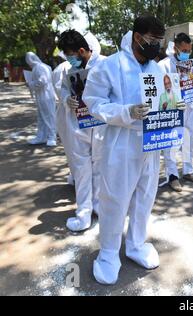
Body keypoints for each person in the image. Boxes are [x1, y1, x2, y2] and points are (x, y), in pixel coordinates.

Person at [83, 16, 166, 285]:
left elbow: (166, 99)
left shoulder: (157, 69)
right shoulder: (110, 66)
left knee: (145, 196)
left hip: (152, 143)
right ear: (137, 37)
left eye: (159, 41)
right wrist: (124, 112)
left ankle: (136, 244)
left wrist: (181, 99)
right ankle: (108, 252)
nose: (155, 46)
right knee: (115, 198)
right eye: (152, 40)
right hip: (121, 142)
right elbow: (93, 102)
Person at [58, 30, 107, 232]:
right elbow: (62, 88)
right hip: (78, 125)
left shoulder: (105, 64)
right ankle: (83, 214)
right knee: (81, 169)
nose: (69, 60)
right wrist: (65, 99)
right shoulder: (68, 69)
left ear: (81, 50)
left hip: (100, 125)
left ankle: (98, 205)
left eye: (70, 55)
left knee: (99, 168)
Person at [159, 33, 193, 192]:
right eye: (184, 49)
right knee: (172, 143)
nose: (186, 52)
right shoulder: (163, 65)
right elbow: (159, 90)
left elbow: (190, 84)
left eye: (189, 50)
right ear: (176, 47)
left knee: (189, 139)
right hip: (172, 109)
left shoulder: (189, 64)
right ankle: (172, 176)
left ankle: (188, 170)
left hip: (189, 107)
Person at [25, 52, 57, 147]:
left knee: (48, 116)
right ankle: (41, 137)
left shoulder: (39, 67)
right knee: (42, 117)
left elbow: (42, 81)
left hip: (45, 95)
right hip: (43, 95)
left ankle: (52, 137)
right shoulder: (44, 66)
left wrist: (30, 84)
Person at [52, 53, 75, 186]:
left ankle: (75, 177)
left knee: (71, 149)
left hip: (64, 110)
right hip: (70, 111)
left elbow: (58, 90)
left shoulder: (59, 68)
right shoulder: (68, 68)